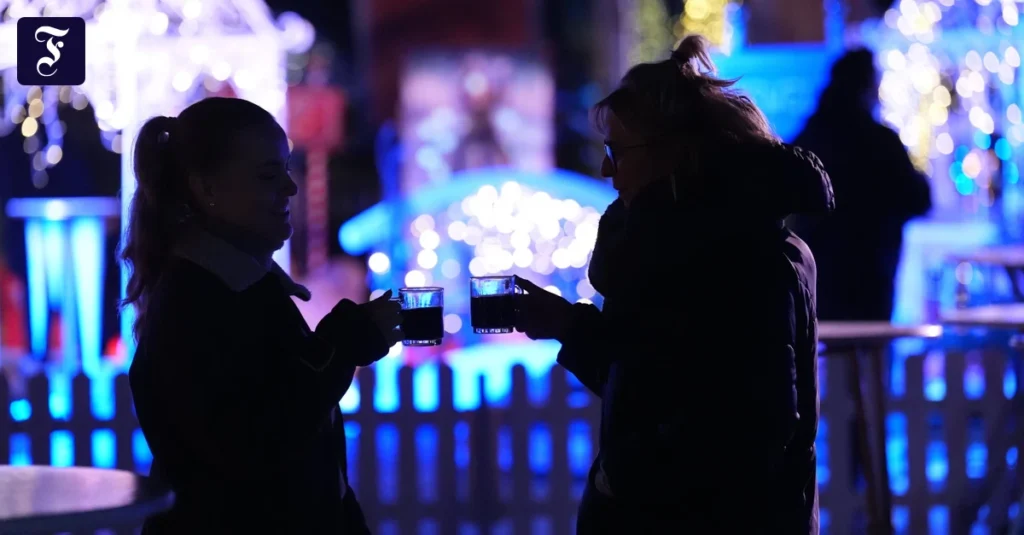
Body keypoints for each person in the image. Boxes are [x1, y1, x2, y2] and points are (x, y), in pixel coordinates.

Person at [514, 35, 834, 534]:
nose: (606, 169)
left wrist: (634, 485)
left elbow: (744, 436)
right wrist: (569, 327)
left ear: (673, 153)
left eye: (617, 151)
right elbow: (652, 383)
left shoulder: (742, 258)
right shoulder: (674, 247)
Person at [123, 97, 402, 534]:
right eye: (269, 175)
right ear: (207, 189)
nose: (290, 188)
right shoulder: (197, 304)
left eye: (286, 170)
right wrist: (343, 342)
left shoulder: (242, 287)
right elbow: (255, 442)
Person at [792, 48, 932, 321]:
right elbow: (919, 199)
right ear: (868, 86)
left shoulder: (808, 140)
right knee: (871, 344)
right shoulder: (882, 142)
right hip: (872, 276)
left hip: (816, 278)